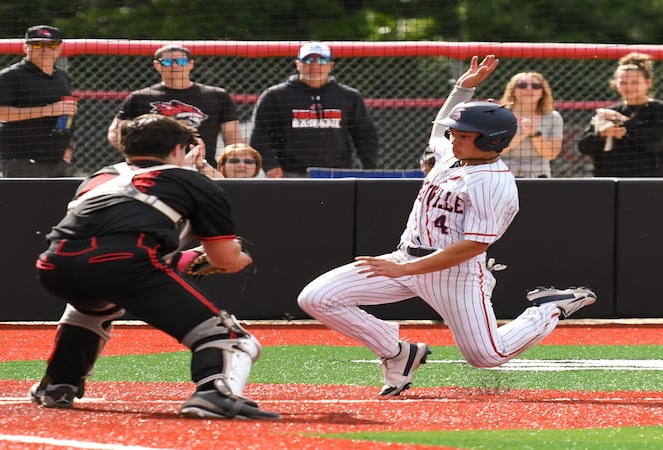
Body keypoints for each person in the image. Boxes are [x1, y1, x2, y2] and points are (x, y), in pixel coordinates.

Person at [297, 55, 597, 397]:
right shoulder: (454, 153)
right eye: (455, 133)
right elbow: (439, 128)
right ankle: (397, 352)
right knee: (317, 298)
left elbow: (474, 245)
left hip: (455, 273)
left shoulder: (493, 183)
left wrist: (407, 269)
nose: (453, 137)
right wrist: (463, 87)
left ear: (491, 141)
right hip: (406, 258)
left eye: (463, 134)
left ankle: (548, 308)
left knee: (487, 355)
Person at [30, 114, 280, 420]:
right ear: (178, 149)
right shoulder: (191, 181)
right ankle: (215, 392)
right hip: (124, 264)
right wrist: (238, 258)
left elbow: (107, 239)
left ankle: (58, 383)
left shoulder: (99, 177)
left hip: (55, 264)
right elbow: (225, 259)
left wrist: (180, 260)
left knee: (94, 307)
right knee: (232, 339)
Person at [249, 42, 379, 178]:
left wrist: (368, 168)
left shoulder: (349, 96)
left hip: (337, 174)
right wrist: (270, 166)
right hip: (290, 174)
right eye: (308, 60)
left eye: (322, 60)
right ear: (298, 64)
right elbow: (259, 135)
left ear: (331, 65)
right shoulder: (275, 95)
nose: (315, 65)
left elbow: (366, 135)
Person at [107, 45, 242, 170]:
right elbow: (115, 131)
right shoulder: (140, 97)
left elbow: (232, 136)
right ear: (157, 65)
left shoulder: (216, 95)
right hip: (150, 168)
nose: (175, 66)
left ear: (191, 64)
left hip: (202, 166)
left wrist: (230, 166)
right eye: (167, 62)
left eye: (181, 61)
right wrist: (136, 154)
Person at [0, 25, 77, 178]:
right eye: (38, 45)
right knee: (23, 202)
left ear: (59, 48)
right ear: (25, 47)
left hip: (57, 159)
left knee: (57, 202)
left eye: (52, 45)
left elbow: (66, 115)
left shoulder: (62, 77)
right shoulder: (11, 75)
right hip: (21, 159)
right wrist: (47, 110)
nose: (45, 49)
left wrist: (68, 149)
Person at [578, 52, 663, 177]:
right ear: (615, 84)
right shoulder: (608, 112)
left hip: (647, 182)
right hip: (608, 182)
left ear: (648, 83)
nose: (629, 87)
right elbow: (584, 147)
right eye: (623, 82)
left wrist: (623, 122)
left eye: (635, 82)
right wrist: (602, 134)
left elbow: (655, 144)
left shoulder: (661, 110)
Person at [498, 72, 563, 178]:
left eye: (536, 86)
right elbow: (495, 151)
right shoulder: (500, 115)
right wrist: (523, 133)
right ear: (513, 90)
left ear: (543, 92)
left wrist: (534, 134)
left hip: (539, 175)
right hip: (504, 174)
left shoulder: (553, 117)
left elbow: (551, 154)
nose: (529, 89)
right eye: (522, 85)